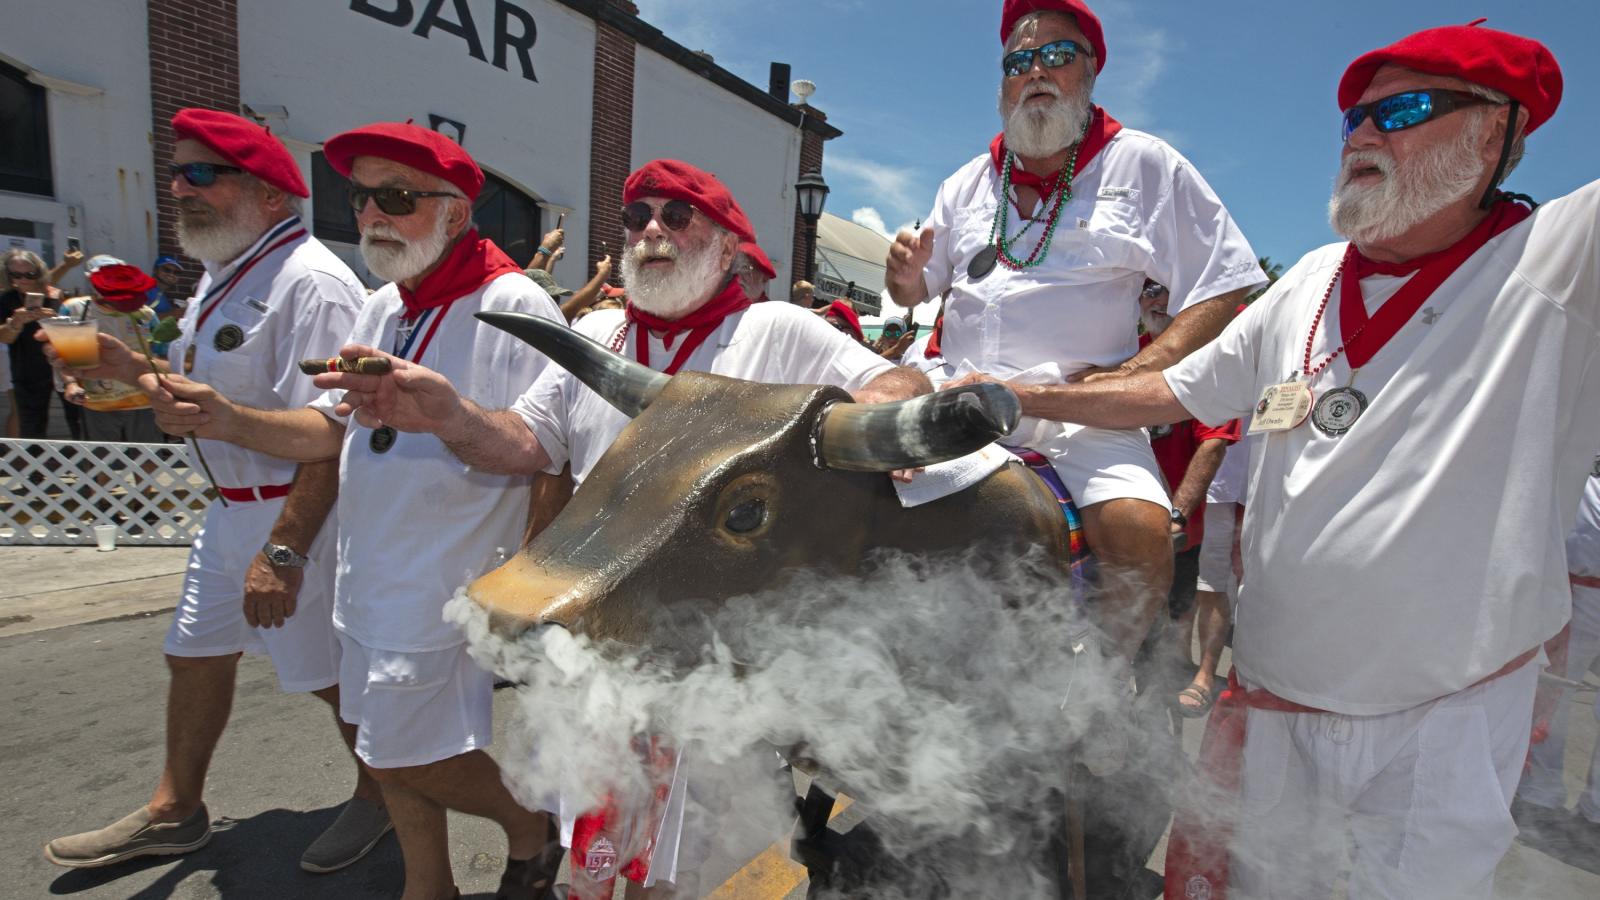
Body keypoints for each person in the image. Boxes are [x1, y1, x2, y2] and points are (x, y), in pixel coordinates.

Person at [949, 21, 1585, 899]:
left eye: (1398, 111)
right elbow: (1169, 393)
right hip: (1277, 703)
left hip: (1438, 726)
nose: (1361, 135)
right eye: (1352, 120)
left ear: (1492, 134)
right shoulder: (1313, 278)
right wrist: (1021, 397)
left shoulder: (1557, 264)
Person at [301, 158, 929, 896]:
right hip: (599, 644)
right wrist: (446, 414)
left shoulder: (776, 329)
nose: (651, 231)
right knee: (600, 851)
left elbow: (906, 381)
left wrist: (886, 401)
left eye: (676, 216)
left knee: (688, 866)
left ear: (728, 247)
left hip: (714, 659)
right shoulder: (599, 330)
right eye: (637, 218)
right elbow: (525, 442)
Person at [142, 121, 568, 900]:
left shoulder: (512, 301)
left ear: (455, 214)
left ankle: (531, 824)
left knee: (407, 753)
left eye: (397, 197)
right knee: (380, 742)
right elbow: (326, 430)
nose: (373, 214)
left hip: (449, 574)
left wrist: (532, 574)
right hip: (369, 567)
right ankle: (426, 884)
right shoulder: (382, 304)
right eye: (363, 197)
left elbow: (556, 448)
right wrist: (226, 419)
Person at [41, 108, 382, 876]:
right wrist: (128, 374)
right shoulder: (223, 272)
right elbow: (215, 400)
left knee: (331, 680)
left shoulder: (312, 282)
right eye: (177, 173)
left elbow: (332, 432)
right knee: (195, 655)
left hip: (294, 514)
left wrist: (286, 550)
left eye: (204, 174)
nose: (181, 189)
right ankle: (175, 810)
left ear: (268, 195)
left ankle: (386, 796)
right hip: (228, 511)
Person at [886, 0, 1263, 664]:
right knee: (854, 497)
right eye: (1018, 61)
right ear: (1004, 83)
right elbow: (914, 294)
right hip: (961, 398)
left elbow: (1226, 281)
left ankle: (1097, 698)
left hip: (1085, 417)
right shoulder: (965, 183)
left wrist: (1145, 372)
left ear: (1089, 73)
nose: (1036, 72)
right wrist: (905, 279)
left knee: (1142, 534)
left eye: (1057, 56)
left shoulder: (1146, 165)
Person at [1137, 281, 1240, 717]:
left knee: (1169, 624)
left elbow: (1213, 442)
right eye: (1148, 291)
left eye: (1168, 289)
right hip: (1115, 520)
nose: (1157, 299)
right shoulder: (1126, 353)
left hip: (1175, 529)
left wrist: (1176, 515)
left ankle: (1154, 722)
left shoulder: (1208, 358)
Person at [1515, 451, 1600, 845]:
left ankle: (1595, 810)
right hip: (1577, 585)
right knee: (1554, 692)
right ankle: (1539, 791)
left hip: (1582, 581)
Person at [56, 262, 166, 443]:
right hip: (98, 402)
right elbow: (64, 355)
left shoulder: (146, 314)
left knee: (148, 462)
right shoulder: (74, 309)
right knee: (103, 463)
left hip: (142, 401)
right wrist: (71, 384)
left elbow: (162, 352)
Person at [1, 248, 67, 438]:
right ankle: (32, 464)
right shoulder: (7, 300)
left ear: (40, 272)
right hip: (27, 366)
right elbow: (4, 338)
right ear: (8, 275)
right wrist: (16, 323)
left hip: (62, 363)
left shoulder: (54, 295)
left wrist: (55, 318)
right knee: (30, 421)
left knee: (75, 415)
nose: (23, 279)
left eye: (30, 274)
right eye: (15, 274)